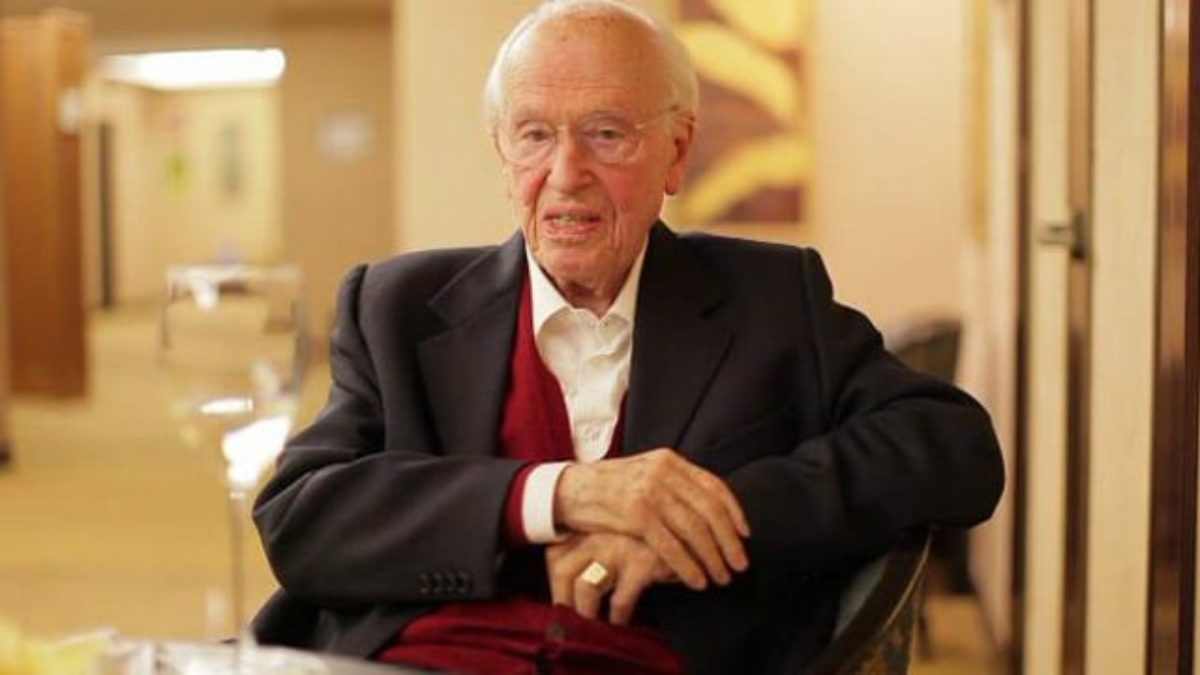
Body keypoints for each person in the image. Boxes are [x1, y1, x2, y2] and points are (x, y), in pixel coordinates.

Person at [251, 1, 1005, 672]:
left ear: (676, 151)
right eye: (534, 135)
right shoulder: (398, 306)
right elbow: (301, 517)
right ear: (502, 155)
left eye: (606, 134)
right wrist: (559, 492)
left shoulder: (772, 297)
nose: (565, 173)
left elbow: (955, 445)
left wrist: (709, 516)